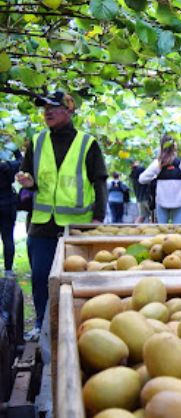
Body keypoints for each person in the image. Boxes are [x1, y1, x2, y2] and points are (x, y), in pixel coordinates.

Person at [16, 90, 107, 338]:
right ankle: (42, 326)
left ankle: (79, 325)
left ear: (69, 109)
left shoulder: (87, 143)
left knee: (76, 277)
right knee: (40, 276)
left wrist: (98, 218)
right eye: (44, 108)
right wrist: (26, 181)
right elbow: (30, 178)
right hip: (42, 223)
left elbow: (99, 182)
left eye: (53, 107)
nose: (47, 112)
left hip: (76, 225)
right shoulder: (37, 141)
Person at [139, 134, 181, 224]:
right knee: (177, 230)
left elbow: (142, 179)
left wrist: (153, 177)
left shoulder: (158, 164)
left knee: (162, 231)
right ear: (174, 147)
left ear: (161, 146)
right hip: (180, 201)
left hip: (162, 201)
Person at [0, 147, 21, 276]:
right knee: (8, 237)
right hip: (7, 204)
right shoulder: (8, 166)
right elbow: (22, 161)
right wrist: (15, 150)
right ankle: (8, 270)